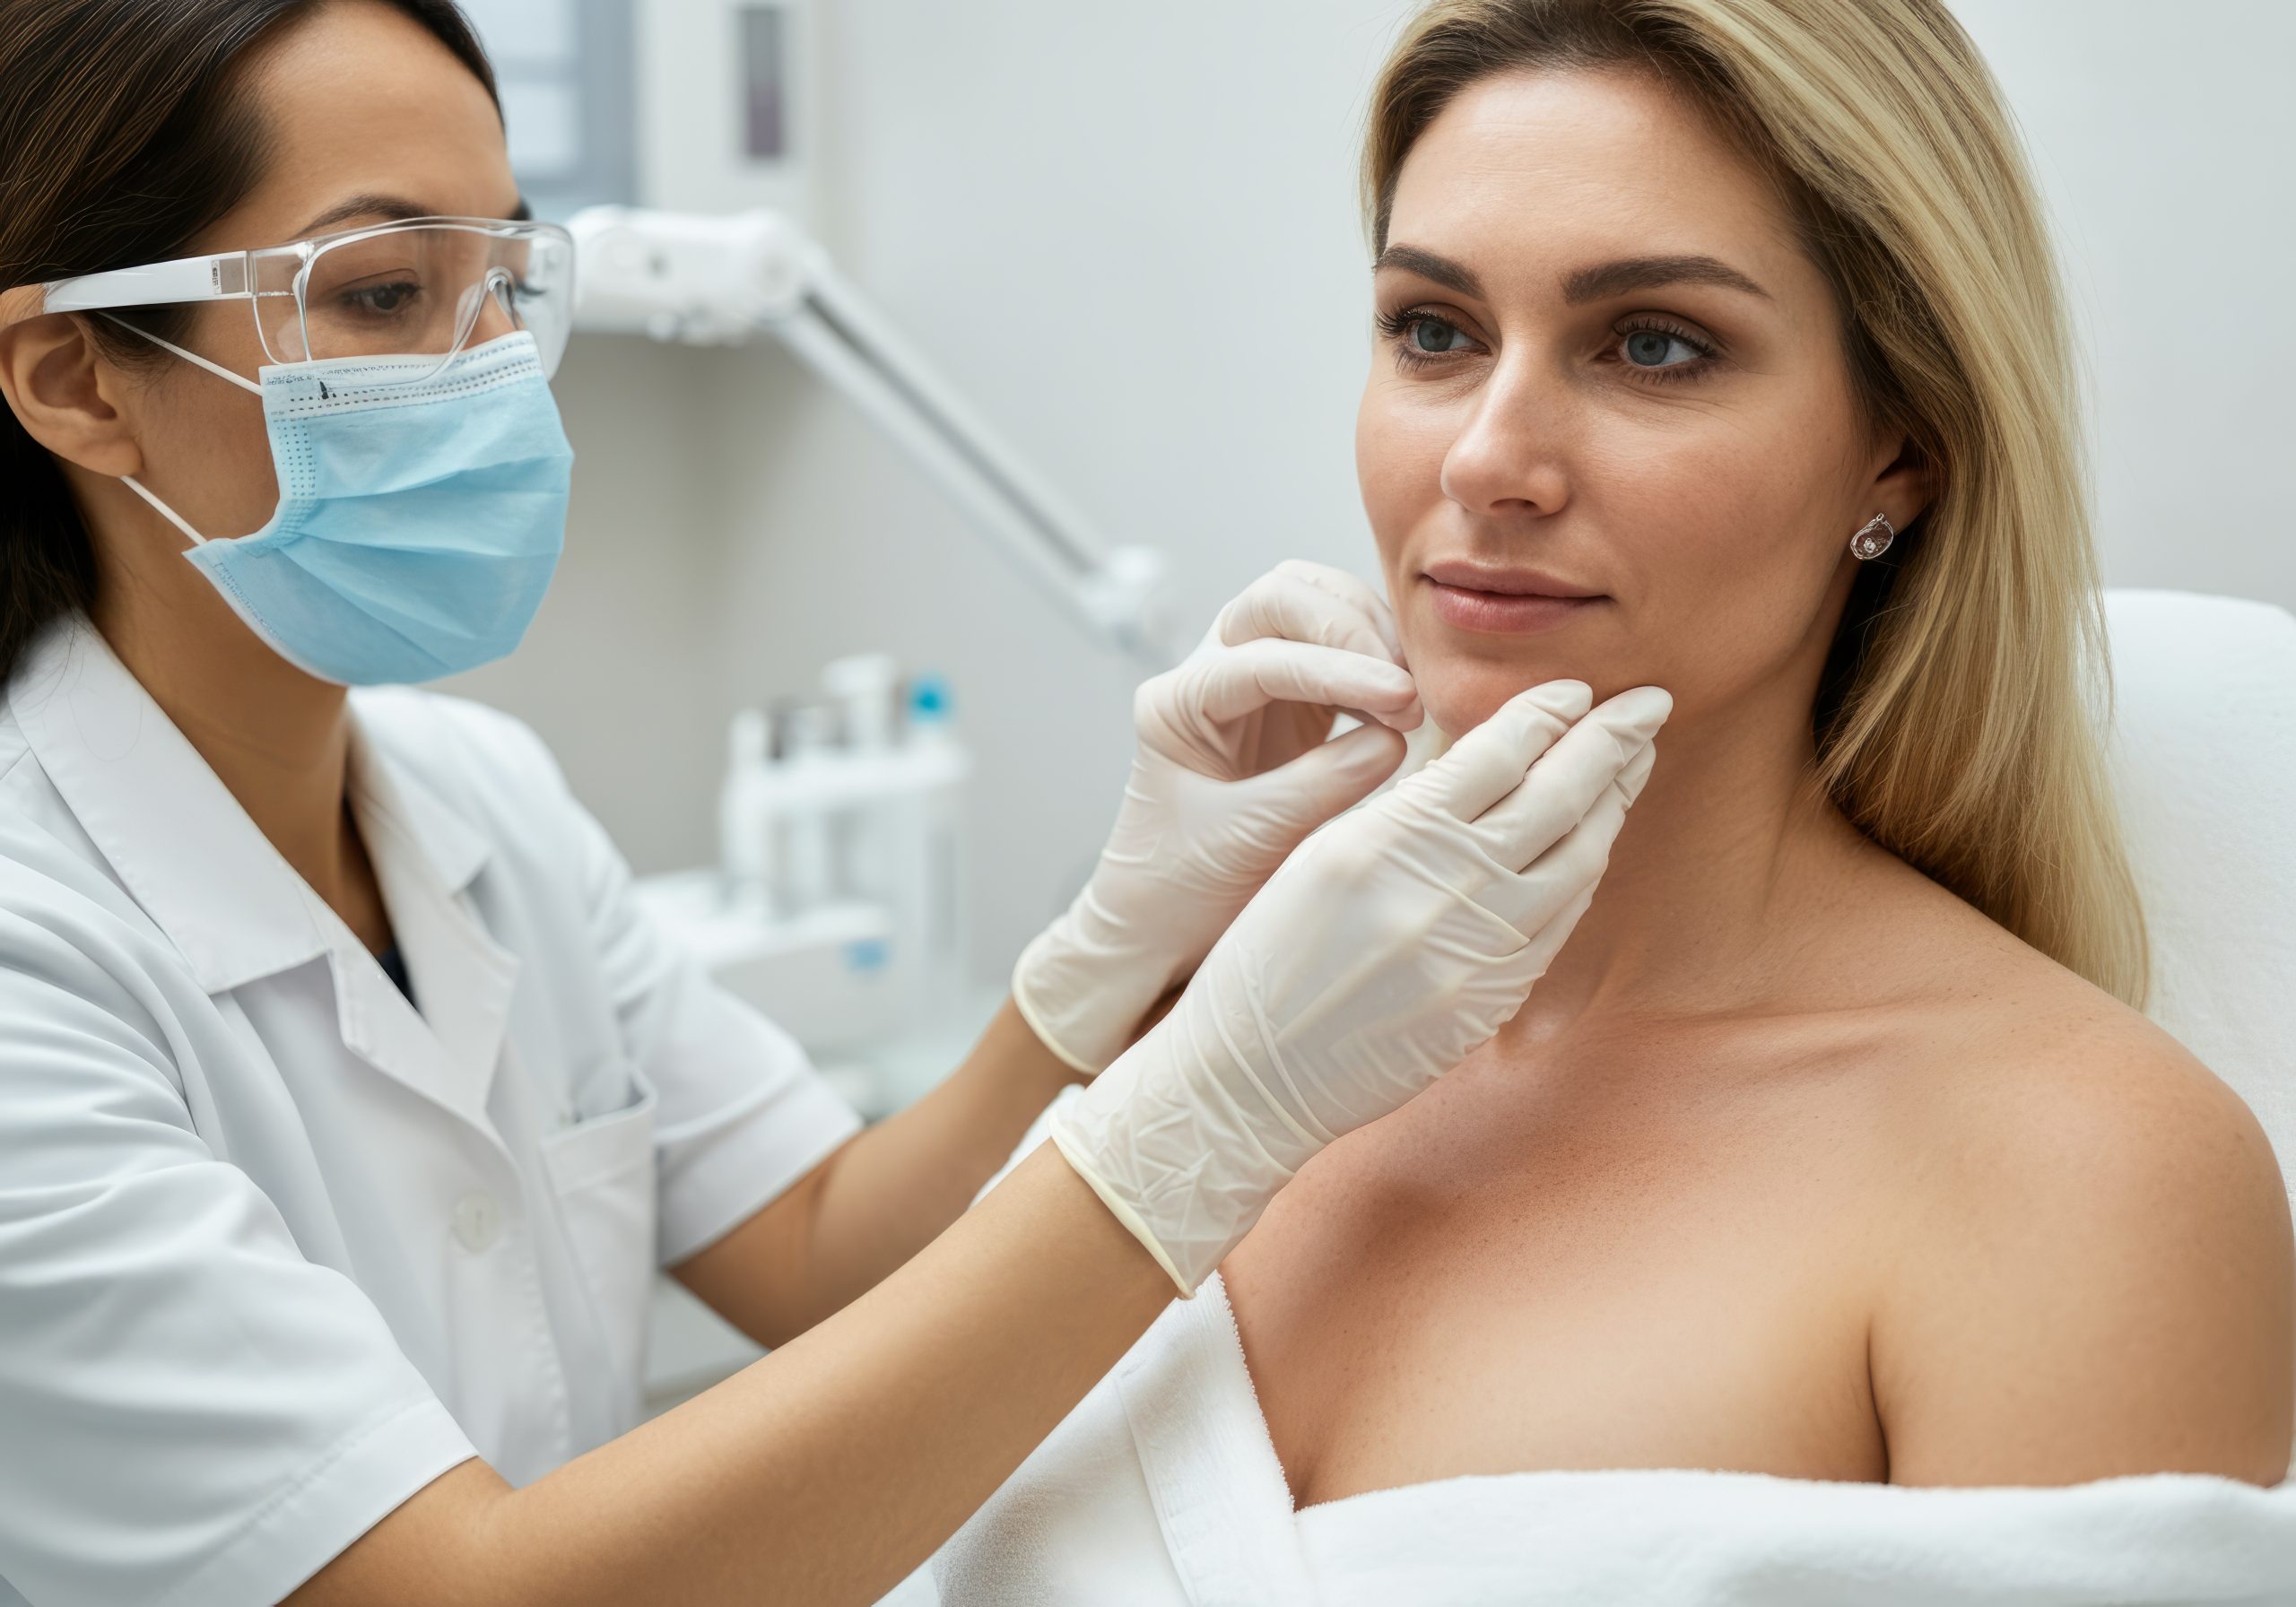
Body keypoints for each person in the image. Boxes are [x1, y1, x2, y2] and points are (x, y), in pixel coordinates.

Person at [0, 2, 1672, 1603]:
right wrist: (1209, 1115)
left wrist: (1107, 956)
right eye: (378, 293)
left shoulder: (476, 806)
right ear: (77, 377)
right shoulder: (33, 954)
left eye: (505, 273)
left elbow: (815, 1249)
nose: (496, 367)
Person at [927, 0, 2296, 1597]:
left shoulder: (2073, 1175)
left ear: (1900, 452)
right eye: (1433, 331)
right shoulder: (1212, 1036)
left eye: (1653, 344)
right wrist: (1107, 986)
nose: (1490, 461)